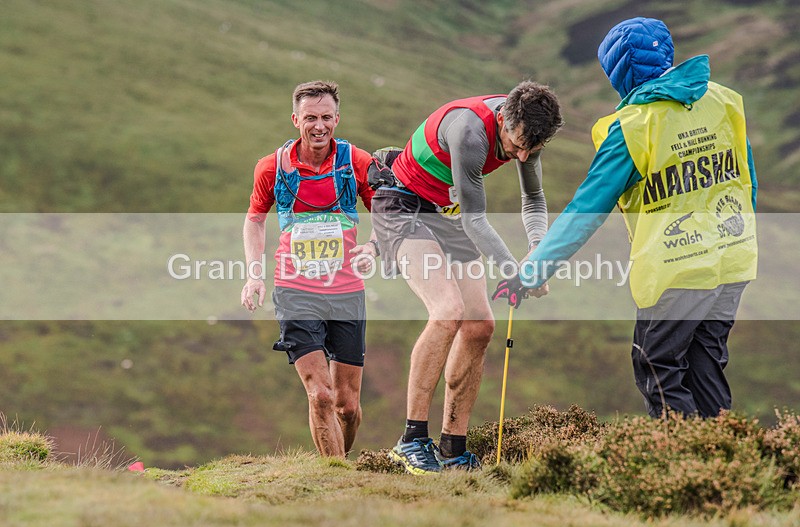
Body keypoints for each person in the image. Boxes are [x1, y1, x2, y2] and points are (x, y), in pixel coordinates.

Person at [510, 17, 758, 418]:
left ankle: (682, 472)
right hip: (734, 259)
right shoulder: (724, 99)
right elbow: (747, 180)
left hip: (677, 270)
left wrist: (533, 271)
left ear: (619, 73)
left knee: (656, 365)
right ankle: (724, 467)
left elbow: (584, 212)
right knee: (706, 368)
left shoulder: (632, 127)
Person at [371, 81, 564, 474]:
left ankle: (453, 447)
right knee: (447, 311)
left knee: (479, 325)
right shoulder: (470, 133)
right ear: (504, 120)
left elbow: (534, 198)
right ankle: (410, 440)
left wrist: (537, 253)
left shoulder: (528, 133)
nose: (523, 155)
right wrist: (517, 273)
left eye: (533, 149)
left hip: (447, 210)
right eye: (516, 145)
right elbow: (477, 221)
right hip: (403, 202)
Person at [241, 80, 380, 457]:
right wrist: (254, 275)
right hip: (295, 291)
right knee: (320, 395)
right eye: (310, 118)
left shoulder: (357, 163)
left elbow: (386, 212)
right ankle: (335, 480)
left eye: (325, 117)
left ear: (337, 118)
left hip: (347, 292)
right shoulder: (272, 168)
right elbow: (254, 220)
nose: (319, 126)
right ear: (295, 119)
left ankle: (341, 466)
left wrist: (373, 245)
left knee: (347, 406)